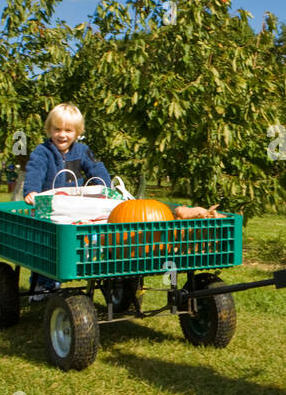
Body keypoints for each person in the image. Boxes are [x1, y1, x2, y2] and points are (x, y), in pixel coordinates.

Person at [21, 102, 221, 299]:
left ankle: (107, 275)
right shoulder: (43, 151)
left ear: (77, 131)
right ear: (49, 129)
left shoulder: (82, 150)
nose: (62, 135)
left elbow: (96, 168)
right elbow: (35, 171)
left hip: (76, 204)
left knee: (91, 234)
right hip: (50, 207)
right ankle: (43, 284)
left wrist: (106, 188)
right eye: (57, 129)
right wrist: (31, 191)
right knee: (48, 246)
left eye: (68, 130)